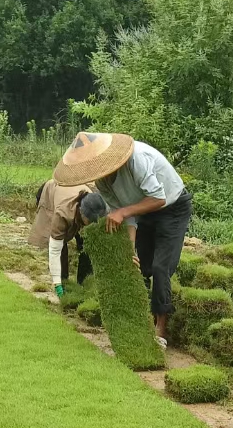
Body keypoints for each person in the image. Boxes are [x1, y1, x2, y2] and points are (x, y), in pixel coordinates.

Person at [54, 131, 191, 349]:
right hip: (143, 211)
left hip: (172, 208)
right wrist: (130, 250)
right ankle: (142, 320)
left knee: (160, 267)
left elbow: (157, 198)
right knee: (141, 266)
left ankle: (161, 329)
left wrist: (124, 212)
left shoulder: (136, 160)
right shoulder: (103, 183)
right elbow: (126, 216)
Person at [28, 178, 109, 297]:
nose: (93, 223)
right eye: (90, 220)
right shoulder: (62, 214)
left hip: (73, 187)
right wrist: (57, 283)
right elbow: (55, 249)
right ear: (82, 213)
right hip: (53, 192)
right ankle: (63, 282)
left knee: (86, 244)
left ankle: (84, 283)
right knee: (61, 245)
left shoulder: (96, 203)